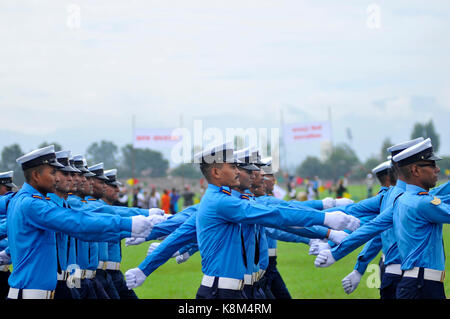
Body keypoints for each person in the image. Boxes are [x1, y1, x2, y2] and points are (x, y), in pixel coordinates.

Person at [193, 141, 359, 299]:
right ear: (216, 172)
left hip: (239, 288)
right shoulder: (223, 202)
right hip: (221, 292)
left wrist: (326, 220)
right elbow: (276, 216)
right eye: (234, 167)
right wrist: (325, 220)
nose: (263, 176)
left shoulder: (231, 200)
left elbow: (282, 213)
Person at [6, 145, 153, 299]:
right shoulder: (32, 204)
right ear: (36, 175)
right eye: (53, 172)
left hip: (59, 286)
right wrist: (128, 225)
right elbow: (77, 223)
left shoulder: (28, 201)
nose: (56, 178)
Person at [392, 138, 448, 299]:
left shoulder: (404, 199)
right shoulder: (422, 202)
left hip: (418, 283)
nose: (437, 169)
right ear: (415, 170)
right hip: (423, 285)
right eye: (431, 165)